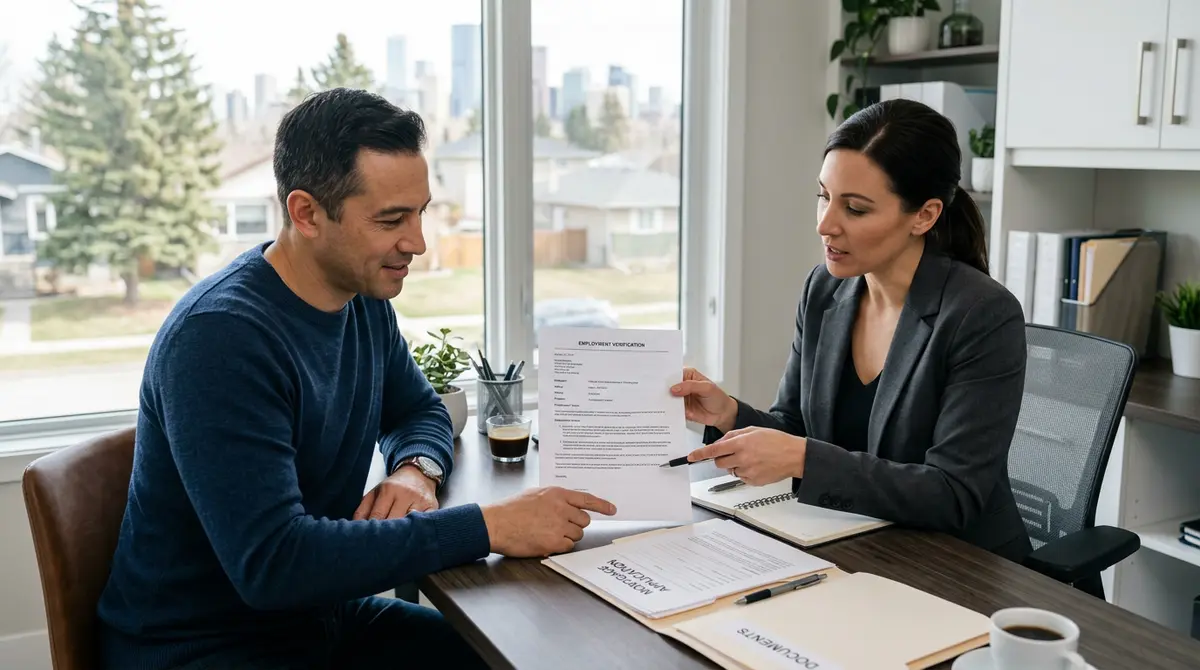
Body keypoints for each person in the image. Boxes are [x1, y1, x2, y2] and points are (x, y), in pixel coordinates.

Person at [96, 88, 616, 670]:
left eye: (421, 213)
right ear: (307, 213)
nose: (417, 242)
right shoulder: (221, 338)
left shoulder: (361, 299)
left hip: (316, 621)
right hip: (203, 647)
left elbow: (418, 411)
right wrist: (489, 526)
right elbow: (274, 564)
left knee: (517, 657)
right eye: (391, 219)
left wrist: (418, 471)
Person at [672, 98, 1032, 563]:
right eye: (823, 196)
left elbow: (953, 493)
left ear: (924, 215)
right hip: (857, 545)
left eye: (855, 209)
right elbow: (797, 429)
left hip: (960, 566)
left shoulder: (982, 314)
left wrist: (803, 458)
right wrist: (727, 414)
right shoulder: (824, 290)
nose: (825, 224)